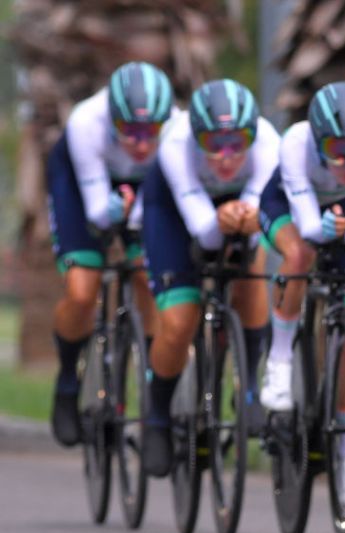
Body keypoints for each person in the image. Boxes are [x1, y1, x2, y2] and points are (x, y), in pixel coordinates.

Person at [140, 79, 279, 477]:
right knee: (179, 320)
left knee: (252, 275)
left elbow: (257, 212)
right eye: (213, 143)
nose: (225, 155)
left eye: (237, 143)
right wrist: (223, 221)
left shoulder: (269, 142)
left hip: (236, 209)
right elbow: (204, 230)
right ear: (195, 136)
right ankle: (158, 415)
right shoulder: (174, 143)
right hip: (176, 213)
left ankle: (248, 385)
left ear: (252, 135)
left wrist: (246, 218)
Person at [258, 81, 345, 507]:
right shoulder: (296, 143)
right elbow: (309, 224)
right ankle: (278, 359)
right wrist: (331, 227)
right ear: (316, 139)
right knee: (299, 253)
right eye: (337, 151)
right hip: (292, 210)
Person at [47, 61, 172, 446]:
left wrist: (136, 216)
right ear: (111, 119)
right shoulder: (87, 122)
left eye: (150, 131)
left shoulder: (178, 129)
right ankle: (69, 379)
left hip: (141, 188)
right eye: (129, 130)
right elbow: (98, 210)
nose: (140, 142)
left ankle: (152, 389)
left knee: (147, 278)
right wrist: (116, 212)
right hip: (85, 184)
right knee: (83, 290)